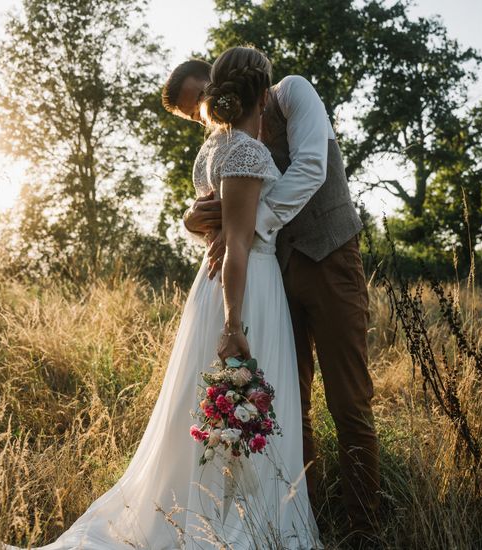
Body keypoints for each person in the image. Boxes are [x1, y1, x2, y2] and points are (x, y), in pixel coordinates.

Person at [0, 46, 321, 550]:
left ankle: (221, 511)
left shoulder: (214, 149)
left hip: (221, 284)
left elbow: (212, 223)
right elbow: (236, 243)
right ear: (261, 94)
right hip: (246, 288)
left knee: (214, 410)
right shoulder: (246, 151)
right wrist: (234, 325)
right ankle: (237, 526)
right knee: (241, 400)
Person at [162, 51, 380, 541]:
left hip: (330, 261)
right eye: (190, 111)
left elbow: (309, 169)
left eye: (200, 97)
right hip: (274, 277)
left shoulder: (292, 93)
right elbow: (212, 206)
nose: (202, 112)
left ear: (214, 79)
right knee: (286, 404)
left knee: (349, 401)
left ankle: (366, 528)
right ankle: (301, 515)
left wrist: (248, 229)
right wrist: (194, 221)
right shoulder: (227, 141)